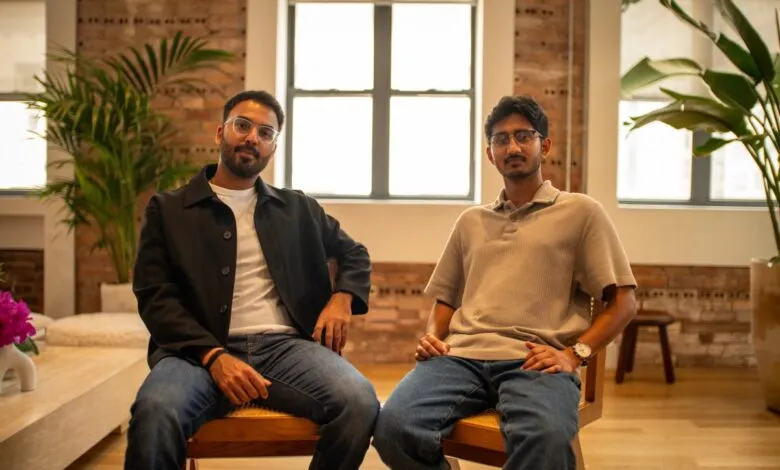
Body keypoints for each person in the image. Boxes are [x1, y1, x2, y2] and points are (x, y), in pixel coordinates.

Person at [372, 95, 638, 470]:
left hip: (535, 361)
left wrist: (574, 354)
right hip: (460, 358)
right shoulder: (471, 221)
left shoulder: (581, 212)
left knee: (545, 438)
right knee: (392, 428)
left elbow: (624, 302)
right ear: (490, 153)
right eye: (501, 139)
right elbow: (446, 300)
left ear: (545, 145)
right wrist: (433, 336)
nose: (512, 147)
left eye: (523, 136)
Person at [124, 90, 380, 470]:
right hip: (196, 352)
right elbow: (155, 296)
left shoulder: (298, 208)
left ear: (273, 147)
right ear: (220, 133)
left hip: (286, 348)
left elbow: (354, 253)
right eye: (242, 125)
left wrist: (341, 298)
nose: (251, 138)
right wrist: (213, 356)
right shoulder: (169, 209)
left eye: (265, 132)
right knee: (155, 412)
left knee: (359, 402)